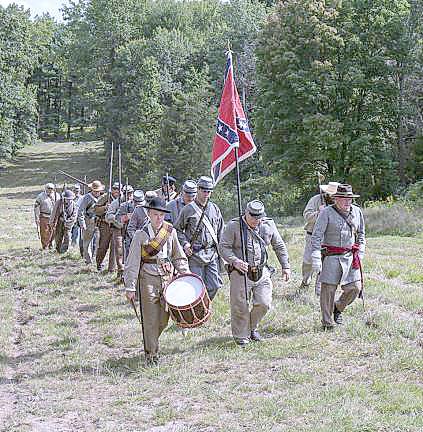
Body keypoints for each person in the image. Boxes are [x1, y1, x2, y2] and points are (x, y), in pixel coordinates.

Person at [124, 197, 189, 365]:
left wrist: (186, 274)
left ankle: (151, 341)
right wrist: (130, 286)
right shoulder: (141, 235)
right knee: (150, 318)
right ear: (148, 214)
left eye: (161, 214)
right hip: (147, 280)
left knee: (164, 318)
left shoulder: (170, 232)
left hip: (167, 279)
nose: (158, 218)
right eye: (155, 214)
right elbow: (132, 262)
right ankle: (151, 354)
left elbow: (178, 256)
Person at [219, 200, 291, 346]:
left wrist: (286, 266)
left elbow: (279, 245)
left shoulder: (268, 225)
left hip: (261, 270)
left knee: (264, 303)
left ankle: (251, 327)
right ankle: (241, 336)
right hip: (240, 271)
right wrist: (235, 261)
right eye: (252, 217)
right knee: (240, 305)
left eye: (258, 217)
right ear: (246, 213)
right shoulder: (234, 226)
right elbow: (223, 247)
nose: (256, 220)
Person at [311, 184, 365, 330]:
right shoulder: (327, 212)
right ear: (336, 199)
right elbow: (316, 235)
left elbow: (361, 234)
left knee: (355, 288)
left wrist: (361, 250)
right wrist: (316, 255)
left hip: (350, 257)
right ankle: (327, 323)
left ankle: (338, 308)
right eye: (344, 199)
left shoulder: (357, 212)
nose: (348, 202)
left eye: (350, 199)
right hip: (331, 256)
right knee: (328, 291)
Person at [174, 176, 224, 301]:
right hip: (195, 255)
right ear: (198, 189)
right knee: (196, 287)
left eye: (209, 190)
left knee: (214, 285)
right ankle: (197, 312)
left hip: (211, 254)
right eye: (203, 190)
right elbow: (177, 230)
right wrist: (185, 244)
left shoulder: (214, 209)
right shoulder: (188, 209)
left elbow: (220, 231)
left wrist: (223, 251)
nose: (206, 193)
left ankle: (204, 305)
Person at [301, 181, 340, 294]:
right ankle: (306, 281)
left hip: (329, 237)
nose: (333, 197)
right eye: (331, 194)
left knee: (324, 263)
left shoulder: (339, 204)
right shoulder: (315, 200)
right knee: (308, 261)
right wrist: (319, 213)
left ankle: (319, 289)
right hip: (312, 235)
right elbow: (307, 216)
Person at [106, 185, 134, 280]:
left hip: (130, 229)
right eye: (126, 193)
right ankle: (120, 270)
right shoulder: (116, 203)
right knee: (119, 249)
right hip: (118, 228)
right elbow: (108, 217)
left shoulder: (134, 203)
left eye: (130, 193)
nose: (128, 196)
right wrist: (120, 218)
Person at [95, 181, 120, 272]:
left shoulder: (122, 199)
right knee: (103, 246)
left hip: (116, 225)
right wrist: (105, 207)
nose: (116, 191)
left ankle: (112, 268)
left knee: (115, 247)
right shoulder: (106, 197)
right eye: (115, 189)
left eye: (118, 189)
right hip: (105, 225)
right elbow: (96, 210)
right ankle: (99, 263)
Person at [77, 180, 104, 265]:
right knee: (87, 243)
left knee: (98, 243)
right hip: (88, 221)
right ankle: (88, 261)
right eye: (95, 191)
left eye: (98, 191)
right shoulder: (86, 198)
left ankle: (96, 260)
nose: (97, 193)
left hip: (99, 222)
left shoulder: (103, 197)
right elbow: (81, 211)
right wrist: (82, 224)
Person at [34, 183, 60, 249]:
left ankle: (51, 244)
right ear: (45, 188)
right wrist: (37, 218)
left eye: (51, 188)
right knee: (45, 232)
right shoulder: (40, 196)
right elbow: (36, 207)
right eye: (49, 188)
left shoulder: (57, 195)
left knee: (53, 231)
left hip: (54, 217)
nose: (50, 190)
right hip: (44, 216)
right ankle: (45, 246)